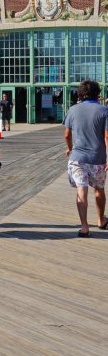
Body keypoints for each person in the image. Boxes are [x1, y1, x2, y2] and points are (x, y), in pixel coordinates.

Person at [63, 79, 108, 237]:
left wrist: (69, 148)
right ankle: (101, 220)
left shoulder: (73, 110)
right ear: (98, 93)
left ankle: (84, 227)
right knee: (99, 189)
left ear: (81, 93)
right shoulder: (104, 110)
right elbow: (107, 136)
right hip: (98, 158)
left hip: (77, 158)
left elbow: (67, 134)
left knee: (81, 190)